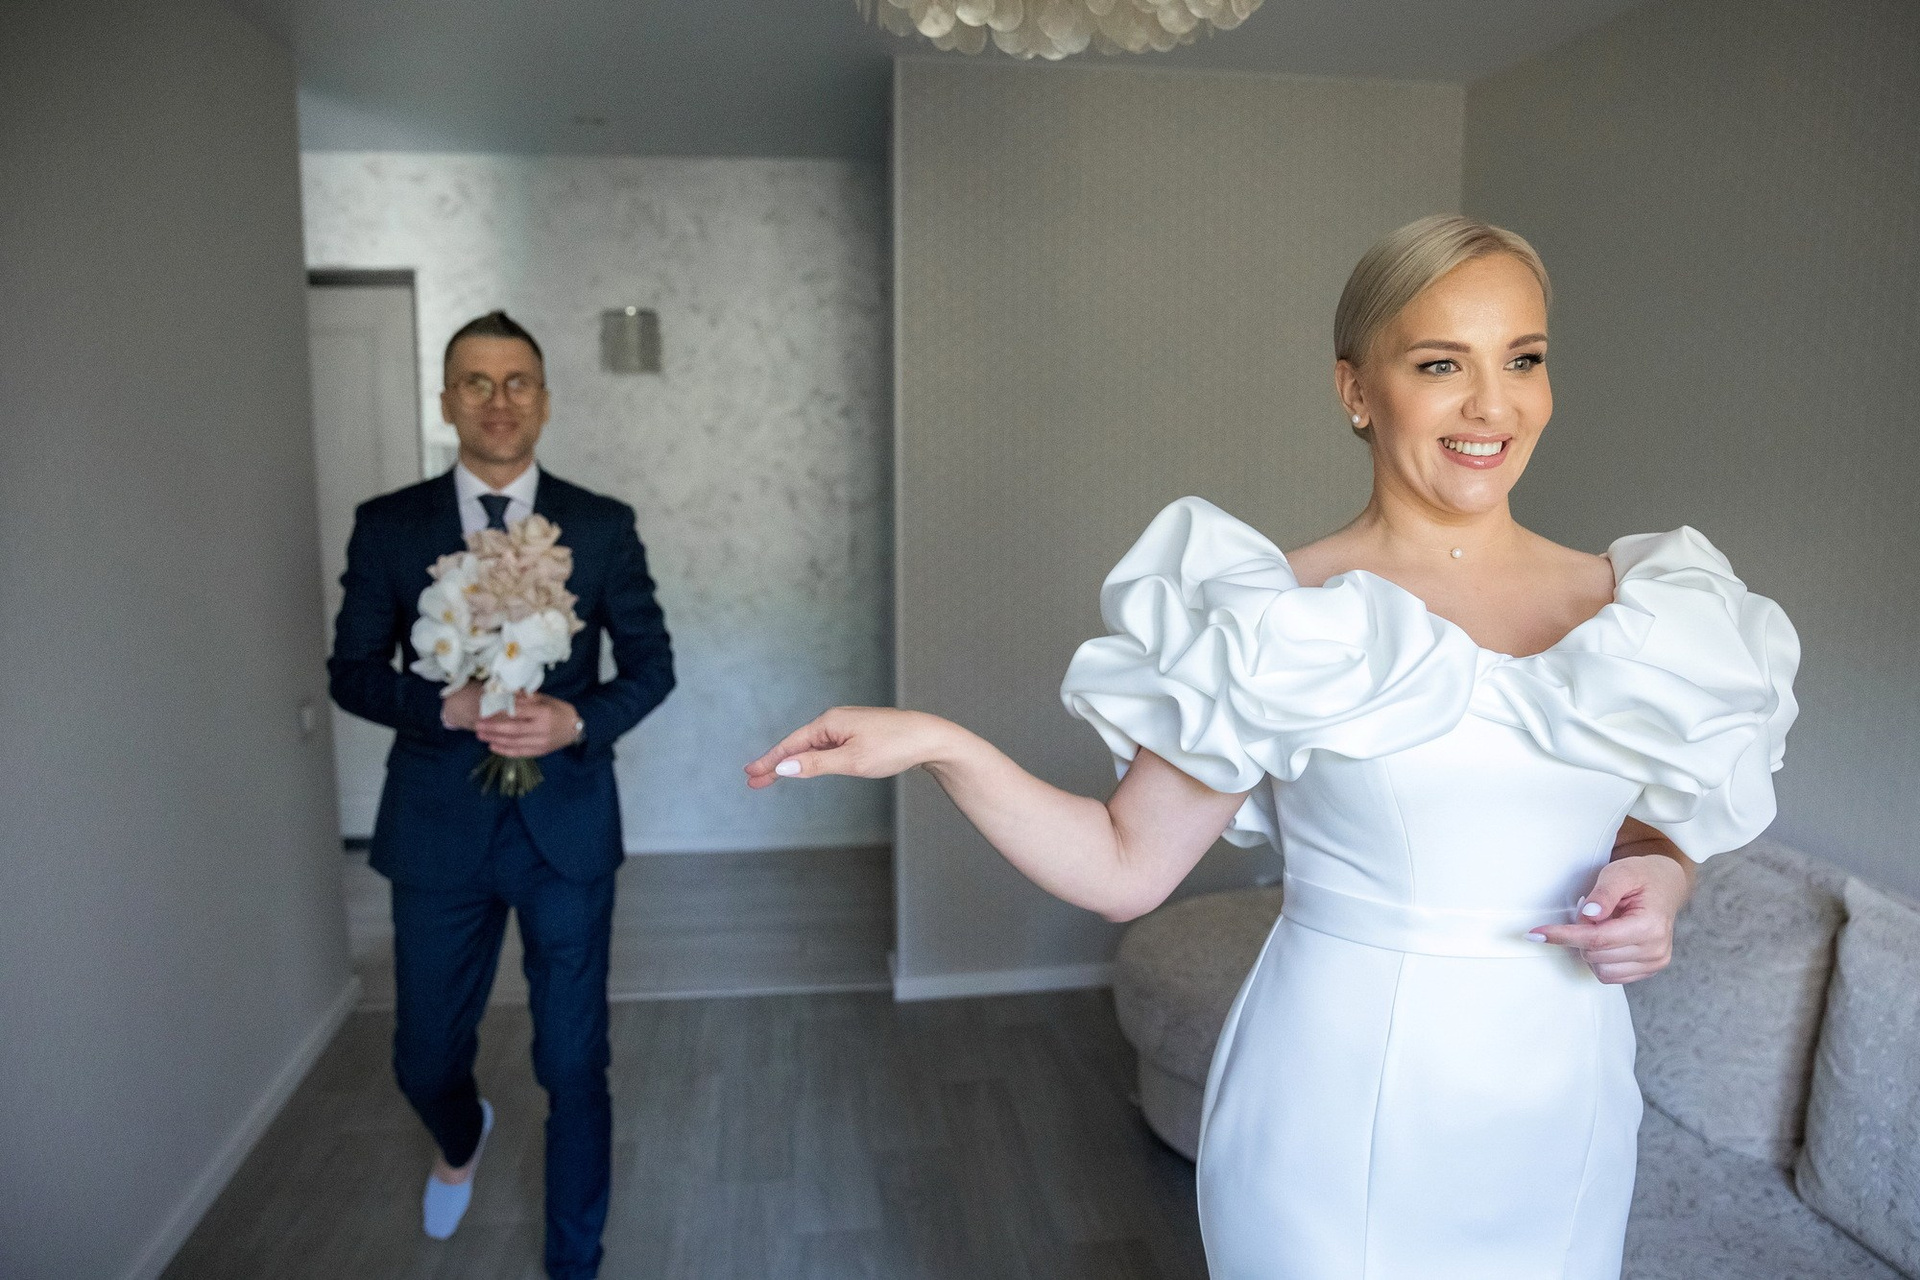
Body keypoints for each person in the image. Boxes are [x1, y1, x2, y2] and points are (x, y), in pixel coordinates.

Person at [745, 216, 1799, 1279]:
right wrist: (940, 744)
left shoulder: (1649, 611)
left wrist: (1662, 882)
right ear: (1357, 389)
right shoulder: (1278, 617)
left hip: (1560, 1103)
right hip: (1332, 1102)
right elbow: (1124, 866)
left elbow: (1652, 832)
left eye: (1522, 359)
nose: (1493, 405)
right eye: (1442, 364)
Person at [329, 310, 674, 1279]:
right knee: (423, 1057)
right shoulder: (389, 525)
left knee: (573, 1061)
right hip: (436, 830)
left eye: (517, 380)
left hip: (565, 828)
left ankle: (574, 1263)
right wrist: (442, 704)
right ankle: (462, 1132)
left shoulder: (601, 525)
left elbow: (653, 665)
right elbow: (351, 671)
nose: (498, 400)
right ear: (447, 402)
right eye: (475, 382)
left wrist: (577, 721)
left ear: (545, 401)